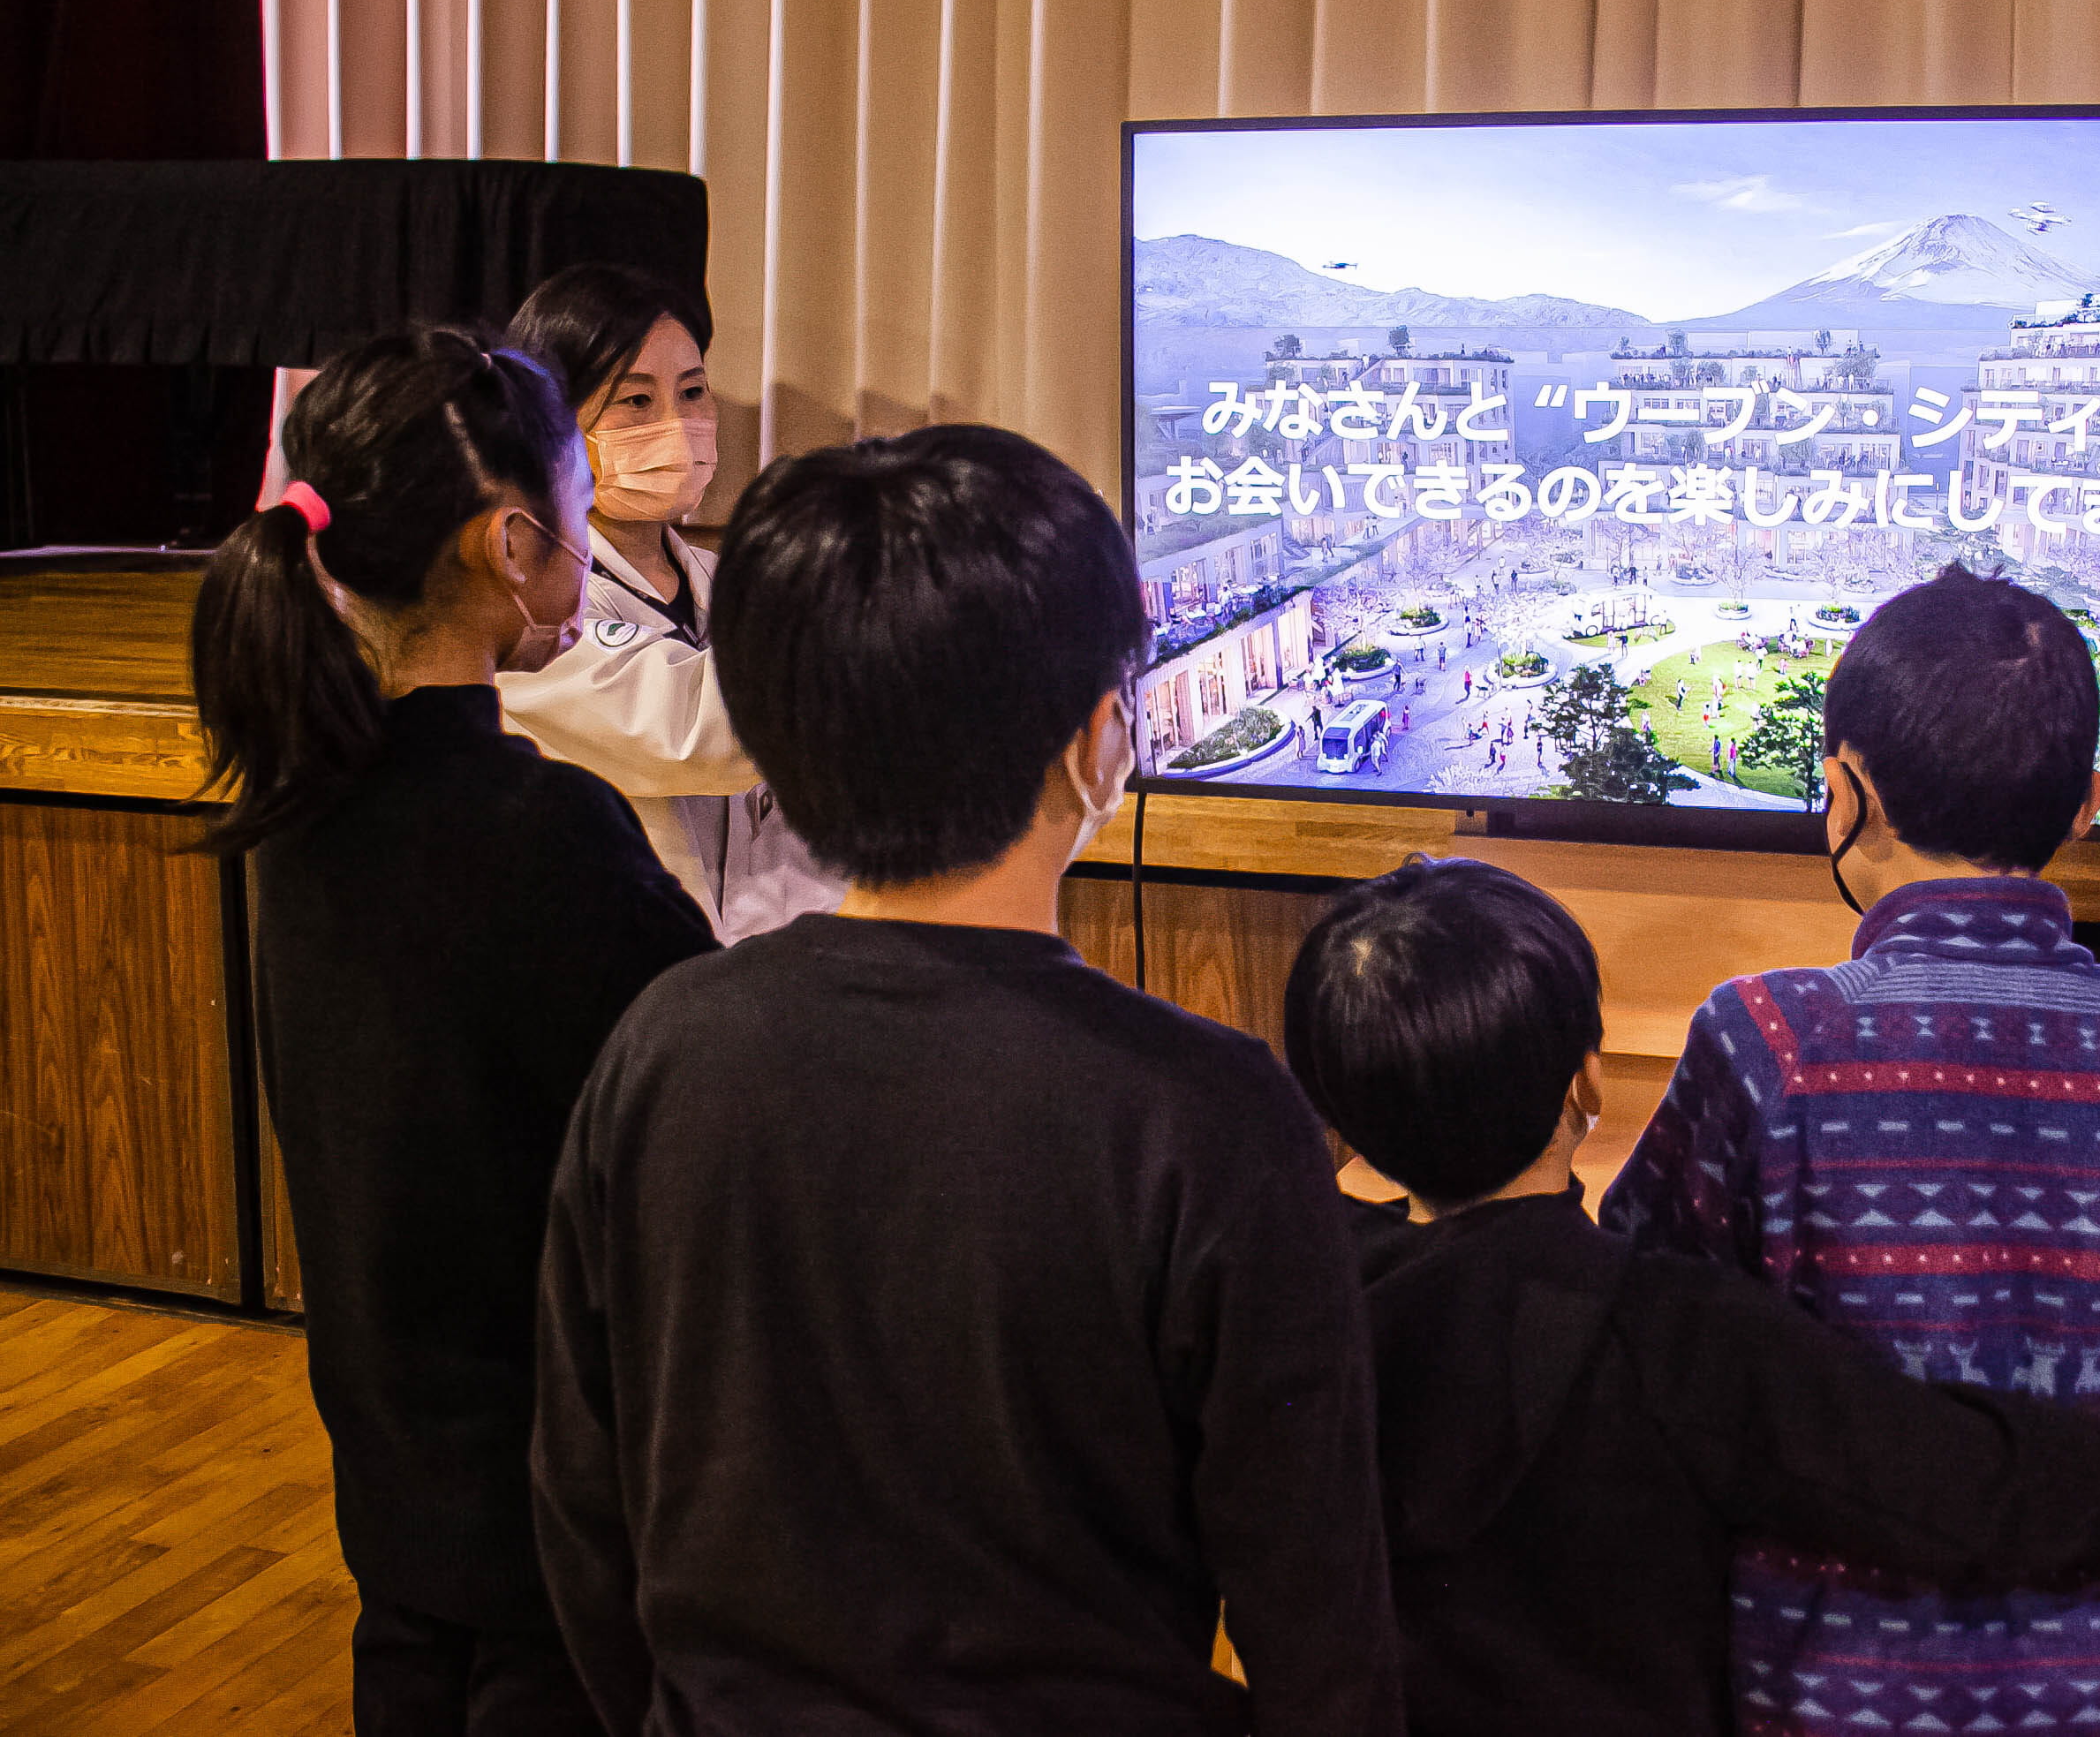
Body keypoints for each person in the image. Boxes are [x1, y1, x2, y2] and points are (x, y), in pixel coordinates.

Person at [532, 425, 1402, 1735]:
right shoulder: (1203, 1112)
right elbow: (1313, 1601)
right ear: (1102, 741)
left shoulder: (663, 1045)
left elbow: (581, 1504)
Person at [1289, 859, 2100, 1737]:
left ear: (1333, 1106)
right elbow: (1942, 1481)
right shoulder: (1669, 1329)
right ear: (1587, 1080)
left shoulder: (1289, 1313)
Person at [1604, 564, 2100, 1737]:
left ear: (1845, 791)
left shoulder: (1768, 1033)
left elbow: (1640, 1319)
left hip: (1823, 1687)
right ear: (2087, 806)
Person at [192, 327, 715, 1733]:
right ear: (509, 544)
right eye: (579, 514)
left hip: (392, 1468)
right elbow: (694, 1110)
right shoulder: (538, 827)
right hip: (545, 1497)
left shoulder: (299, 807)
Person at [496, 263, 846, 941]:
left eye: (693, 392)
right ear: (549, 427)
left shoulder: (740, 582)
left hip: (773, 984)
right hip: (628, 988)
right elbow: (699, 731)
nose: (679, 426)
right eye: (635, 402)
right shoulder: (531, 610)